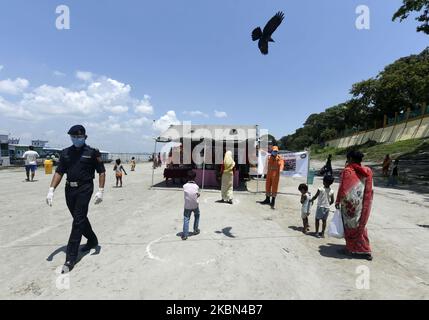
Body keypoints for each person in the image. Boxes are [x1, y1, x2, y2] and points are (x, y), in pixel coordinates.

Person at [46, 125, 106, 273]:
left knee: (77, 220)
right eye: (74, 137)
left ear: (85, 137)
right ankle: (92, 239)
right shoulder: (66, 153)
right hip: (69, 189)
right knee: (79, 218)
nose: (76, 139)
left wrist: (101, 190)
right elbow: (59, 172)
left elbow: (102, 171)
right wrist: (51, 189)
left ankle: (71, 258)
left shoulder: (92, 152)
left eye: (79, 137)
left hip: (85, 188)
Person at [335, 150, 373, 261]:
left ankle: (350, 249)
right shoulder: (367, 171)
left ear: (350, 158)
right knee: (360, 226)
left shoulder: (348, 171)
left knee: (350, 228)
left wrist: (338, 201)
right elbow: (369, 190)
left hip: (349, 206)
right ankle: (365, 249)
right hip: (360, 205)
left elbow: (343, 189)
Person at [182, 170, 200, 241]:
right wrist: (198, 195)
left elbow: (188, 193)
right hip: (195, 205)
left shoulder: (184, 186)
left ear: (187, 177)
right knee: (197, 215)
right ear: (195, 178)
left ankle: (185, 235)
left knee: (186, 218)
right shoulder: (196, 186)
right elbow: (196, 194)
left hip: (187, 206)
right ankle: (195, 230)